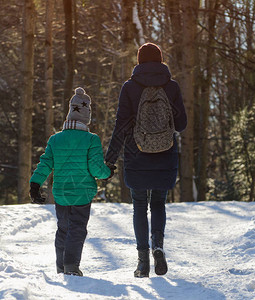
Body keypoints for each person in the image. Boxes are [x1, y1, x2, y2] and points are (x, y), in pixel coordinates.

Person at [105, 43, 187, 277]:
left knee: (139, 206)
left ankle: (143, 262)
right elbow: (181, 125)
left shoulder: (129, 87)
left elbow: (120, 126)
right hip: (165, 153)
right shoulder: (171, 87)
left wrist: (109, 160)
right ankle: (158, 247)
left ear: (139, 61)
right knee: (158, 203)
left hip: (135, 154)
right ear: (160, 60)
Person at [29, 87, 113, 276]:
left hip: (61, 193)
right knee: (77, 229)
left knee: (63, 229)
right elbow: (96, 168)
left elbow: (45, 164)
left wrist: (35, 185)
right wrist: (108, 172)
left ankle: (61, 266)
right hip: (82, 193)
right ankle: (71, 266)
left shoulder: (55, 139)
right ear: (87, 117)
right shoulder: (91, 139)